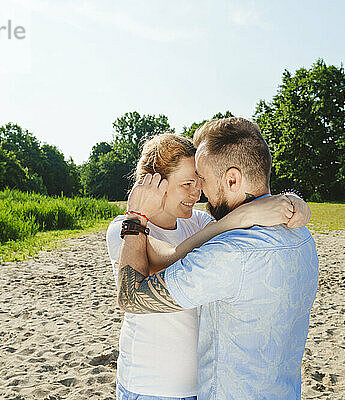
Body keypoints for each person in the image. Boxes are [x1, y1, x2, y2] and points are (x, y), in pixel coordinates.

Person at [115, 118, 319, 400]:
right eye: (189, 182)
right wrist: (279, 206)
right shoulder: (303, 238)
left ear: (232, 179)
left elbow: (133, 294)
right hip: (273, 390)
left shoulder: (226, 250)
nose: (200, 192)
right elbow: (173, 253)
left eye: (203, 181)